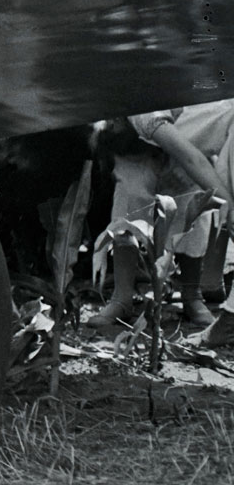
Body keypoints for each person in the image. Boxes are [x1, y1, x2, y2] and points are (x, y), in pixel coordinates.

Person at [89, 101, 234, 338]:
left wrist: (228, 202)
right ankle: (122, 297)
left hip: (186, 144)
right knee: (128, 204)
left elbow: (192, 158)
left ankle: (192, 295)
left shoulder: (161, 109)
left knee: (192, 205)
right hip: (138, 152)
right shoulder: (136, 120)